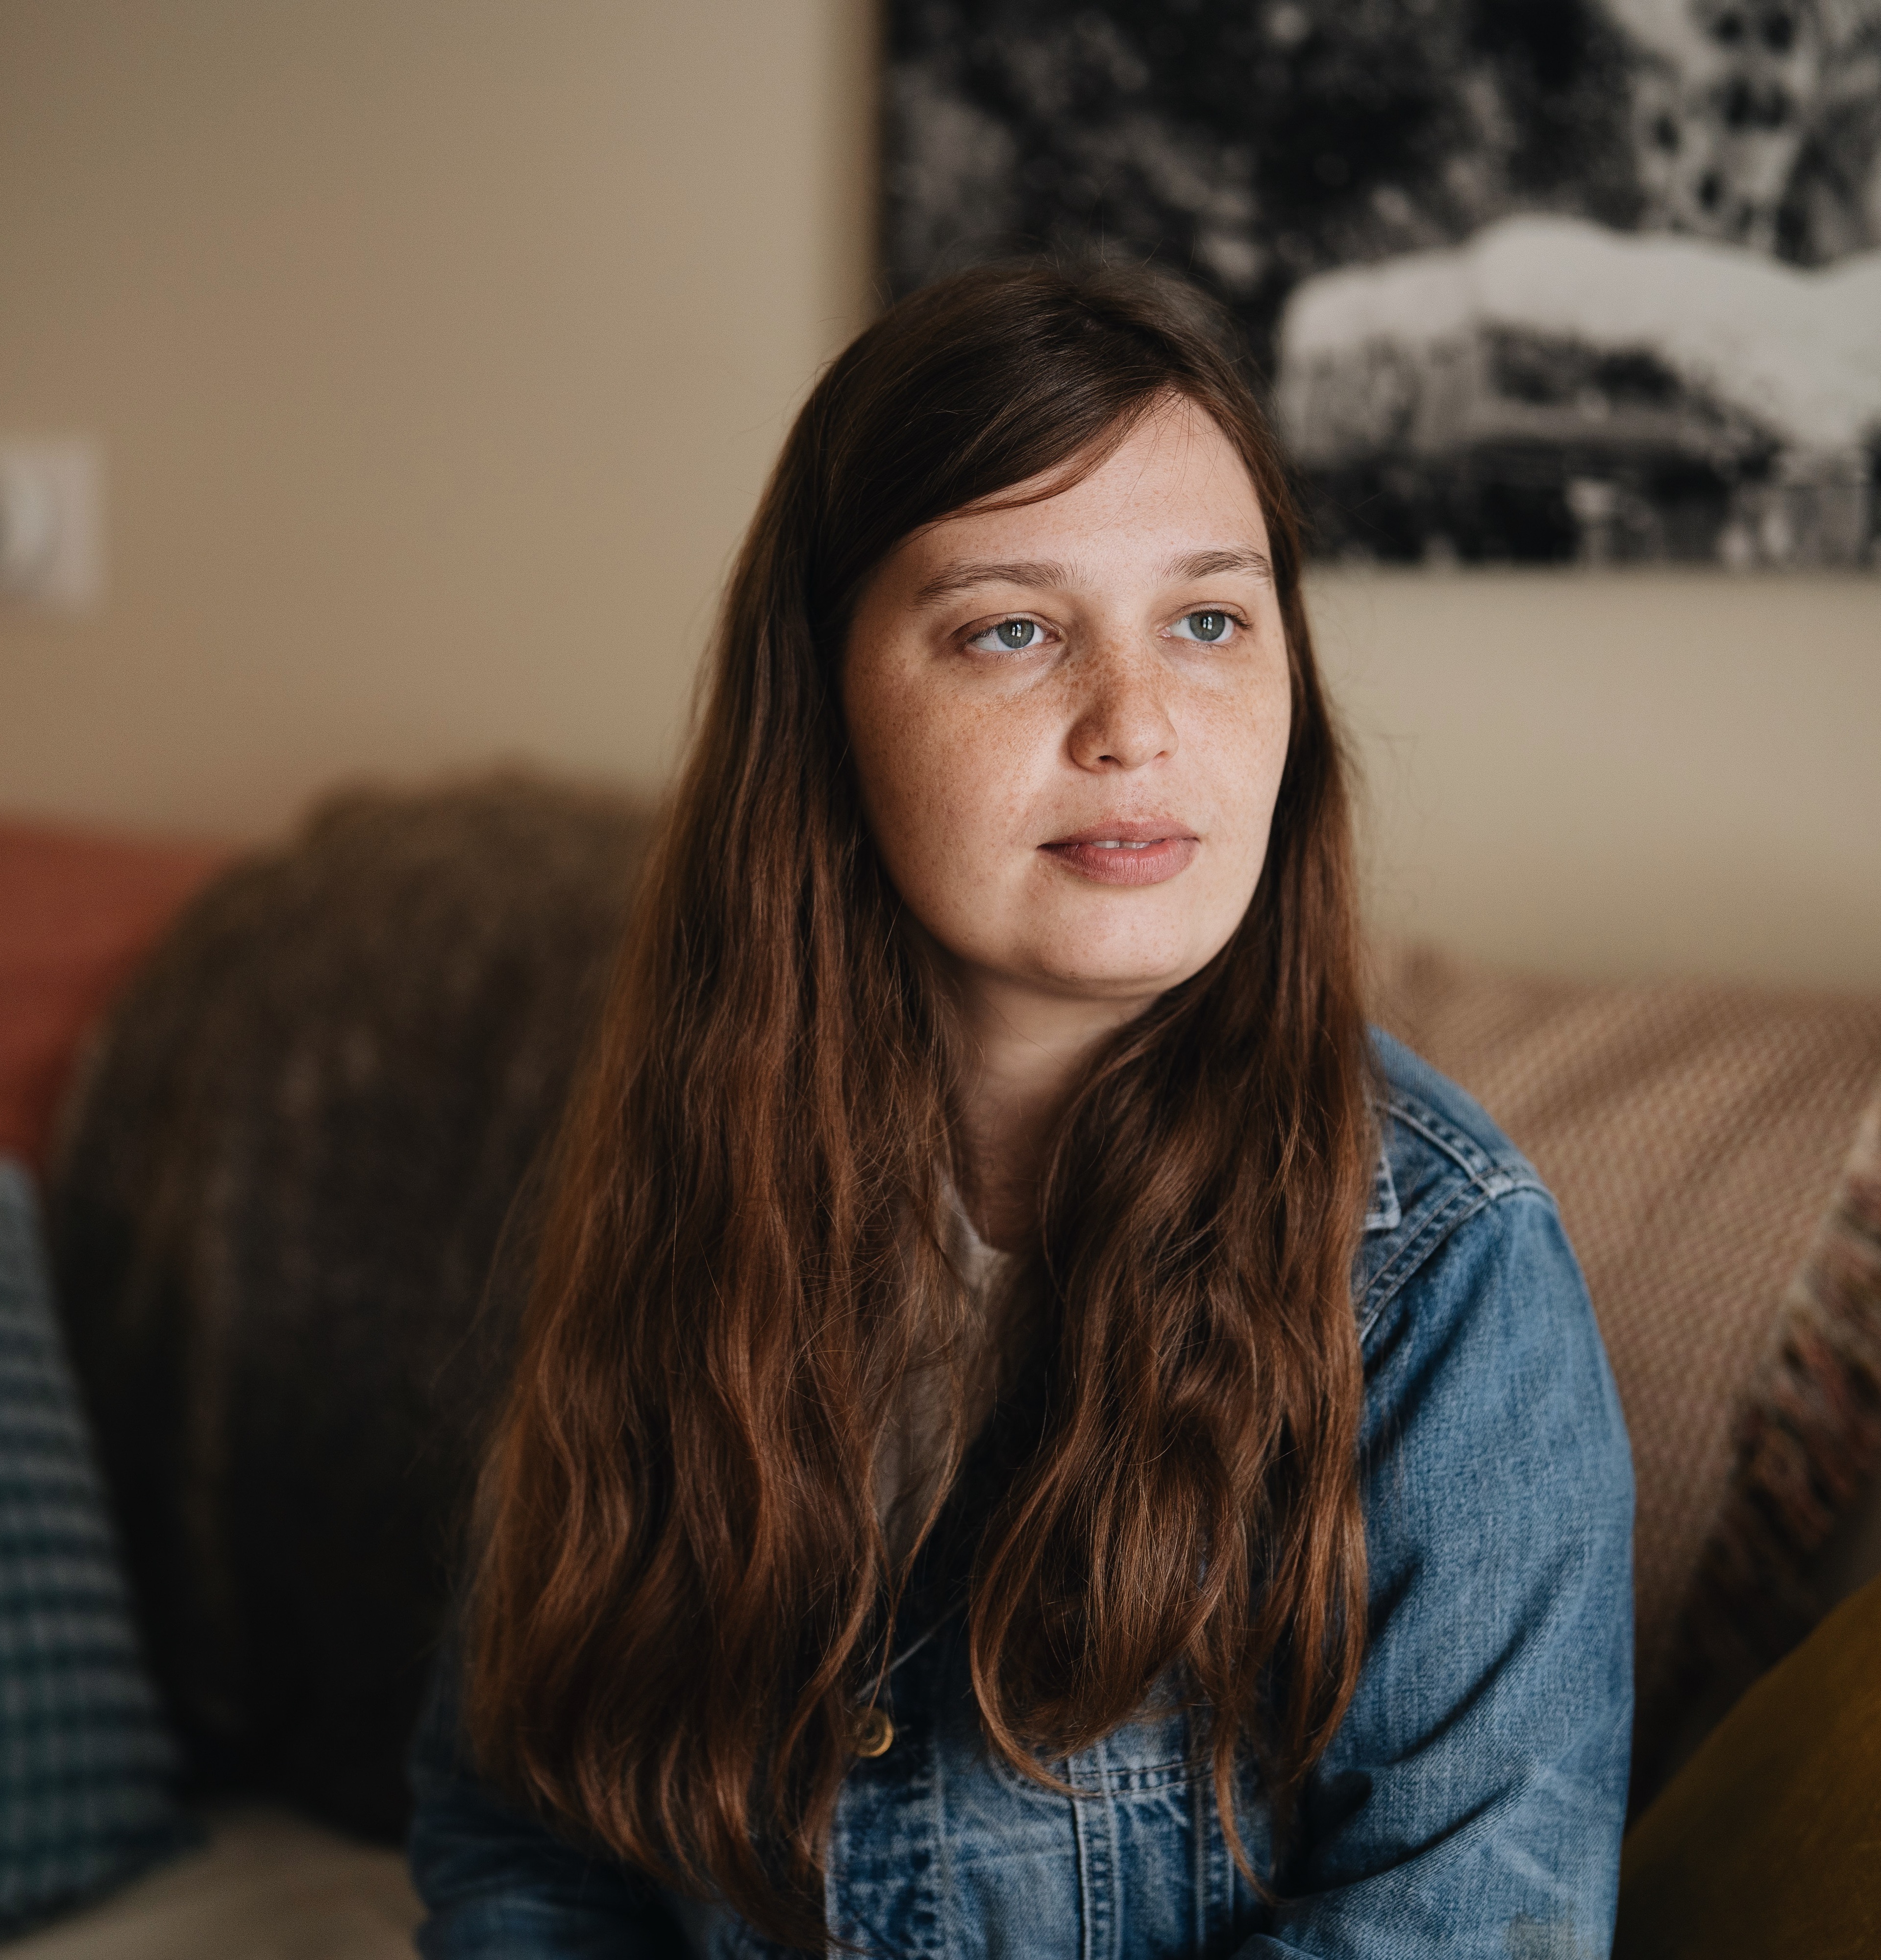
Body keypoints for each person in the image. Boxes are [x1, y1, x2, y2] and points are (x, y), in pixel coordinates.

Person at [407, 261, 1634, 1958]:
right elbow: (519, 1840)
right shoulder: (674, 1179)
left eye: (1209, 621)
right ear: (823, 704)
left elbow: (1465, 1930)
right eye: (1012, 629)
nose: (1135, 727)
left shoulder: (1445, 1274)